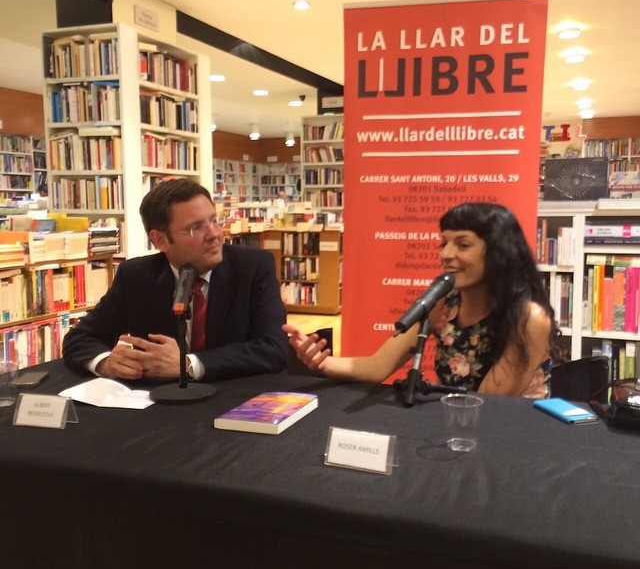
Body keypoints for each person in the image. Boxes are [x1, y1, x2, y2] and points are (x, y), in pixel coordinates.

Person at [284, 202, 560, 398]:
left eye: (463, 244)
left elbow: (486, 403)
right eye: (443, 243)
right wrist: (322, 362)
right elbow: (379, 366)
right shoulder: (444, 302)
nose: (446, 254)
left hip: (511, 436)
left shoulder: (530, 318)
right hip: (457, 423)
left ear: (499, 252)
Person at [64, 178, 288, 383]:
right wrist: (106, 363)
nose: (215, 234)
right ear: (160, 240)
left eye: (214, 221)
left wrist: (189, 364)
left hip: (236, 397)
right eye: (196, 228)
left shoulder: (253, 266)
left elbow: (274, 349)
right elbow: (80, 338)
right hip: (160, 403)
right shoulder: (135, 276)